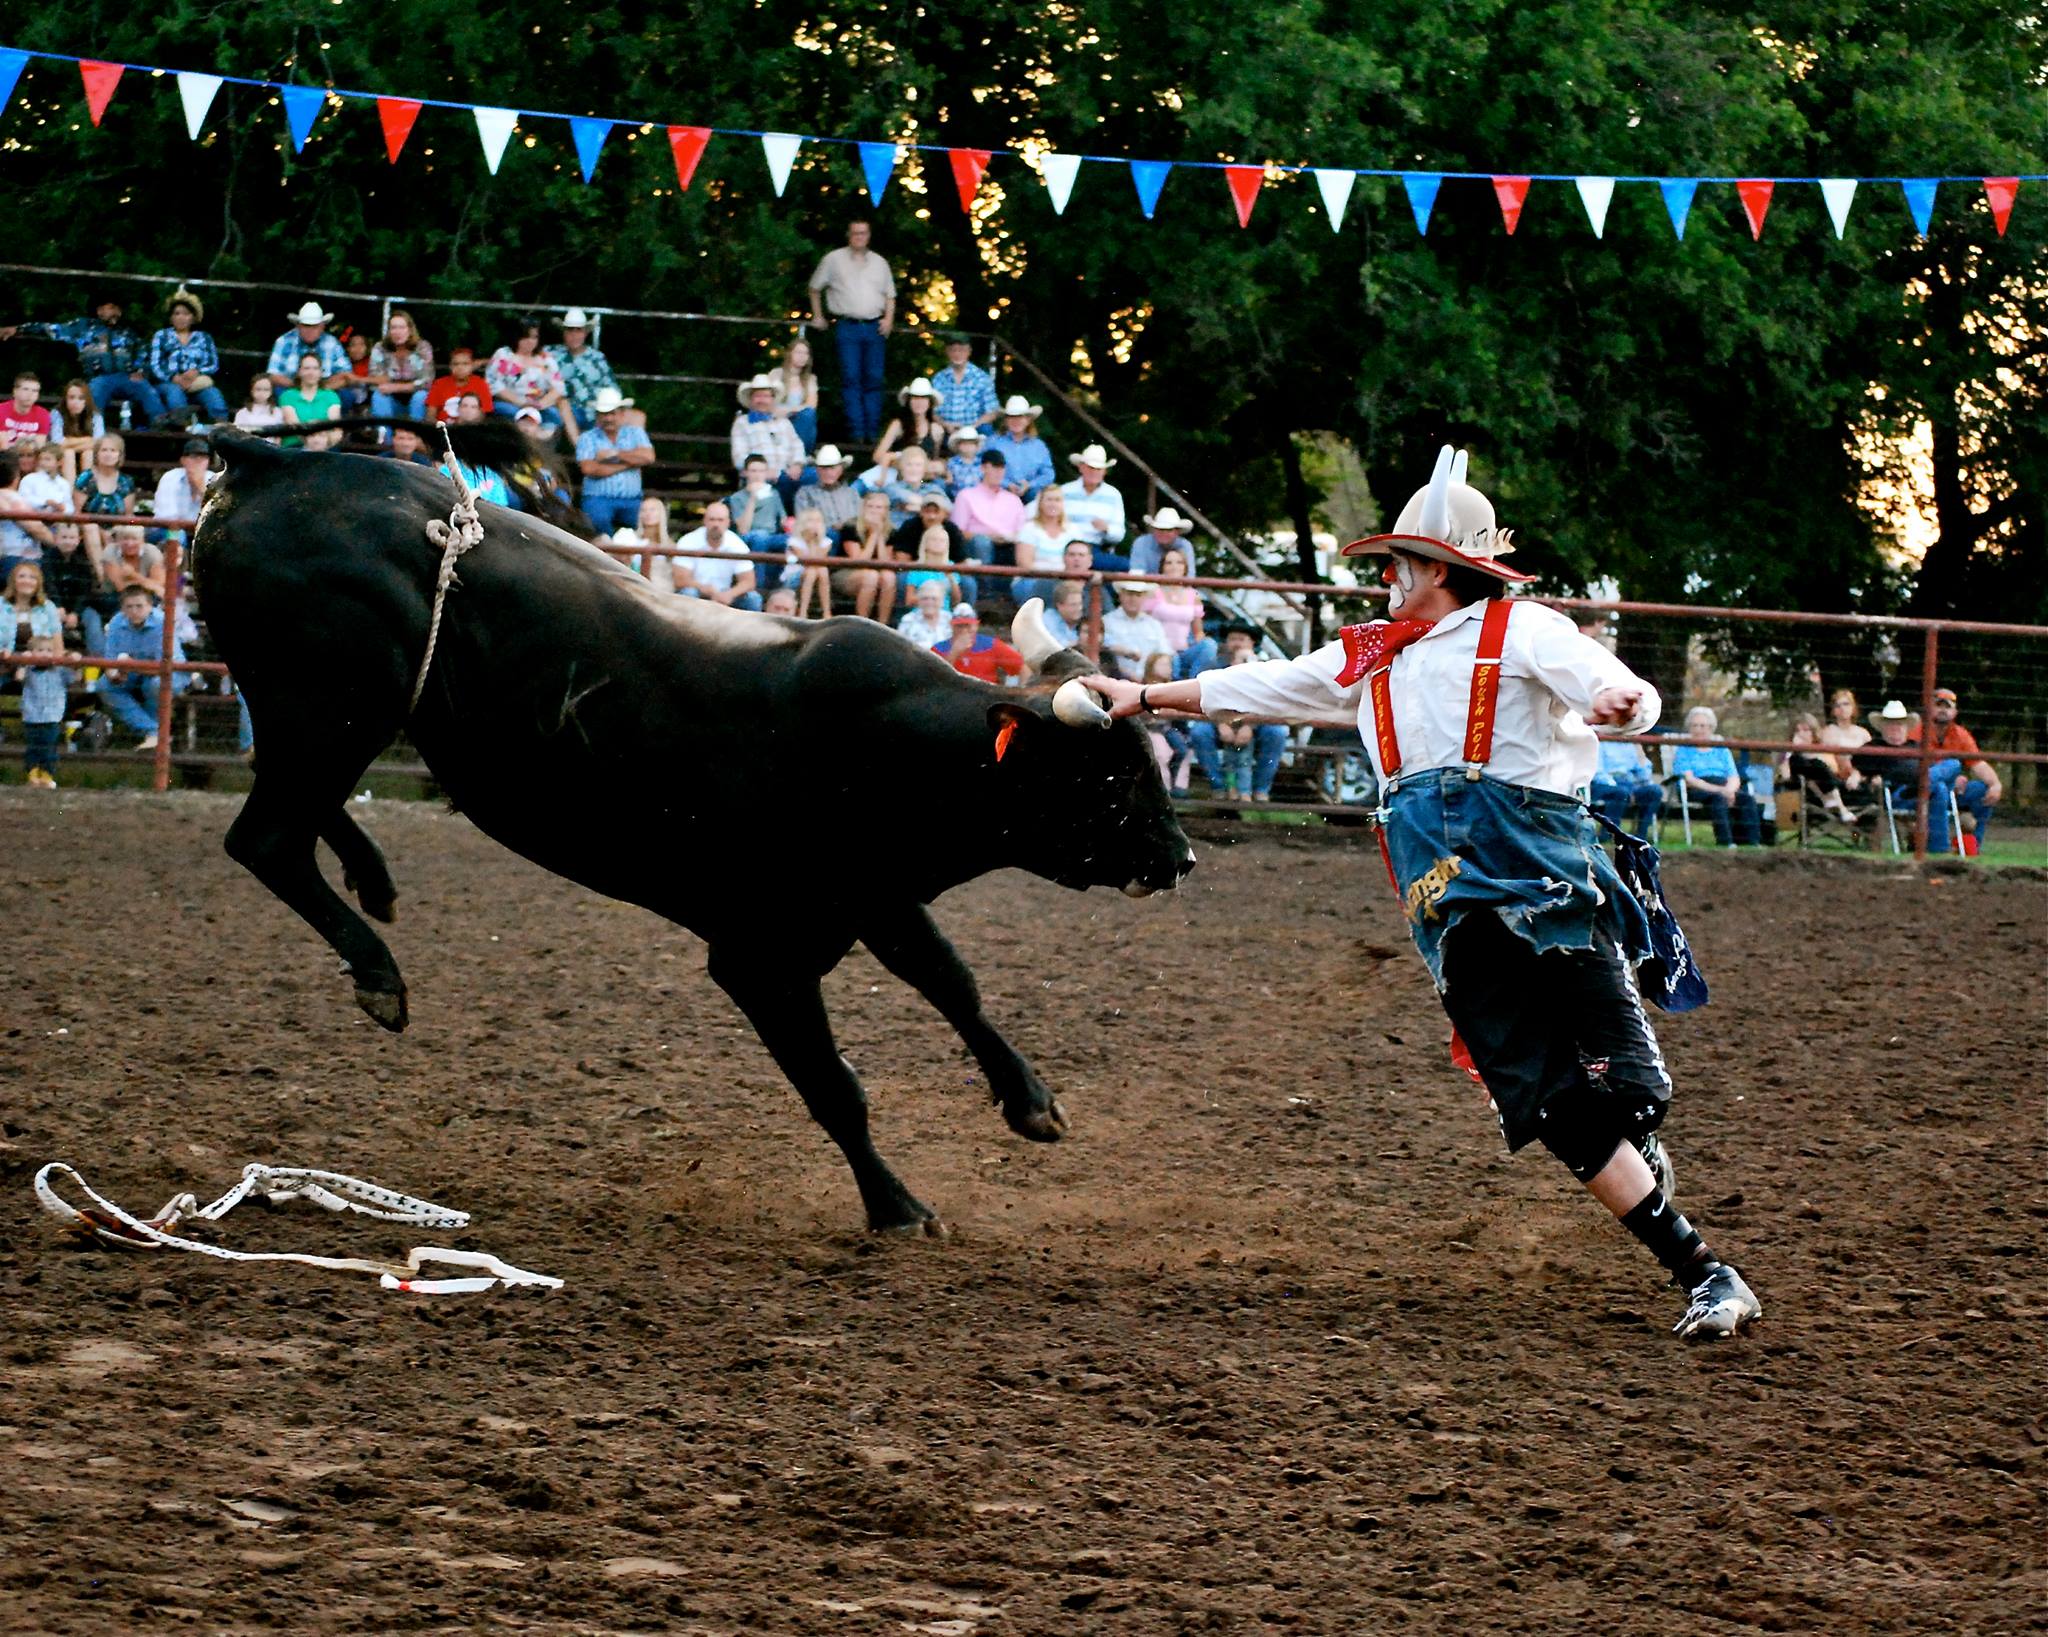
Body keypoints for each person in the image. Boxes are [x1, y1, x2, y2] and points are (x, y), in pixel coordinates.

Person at [1077, 444, 1760, 1342]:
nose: (1387, 576)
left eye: (1397, 561)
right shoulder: (1367, 658)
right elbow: (1255, 684)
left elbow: (1617, 686)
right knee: (1553, 1105)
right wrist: (1140, 694)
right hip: (1449, 912)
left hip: (1548, 884)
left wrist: (1625, 706)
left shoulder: (1522, 629)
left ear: (1438, 568)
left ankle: (1639, 1146)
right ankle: (1706, 1272)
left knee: (1629, 1091)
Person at [1, 297, 165, 428]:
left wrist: (141, 371)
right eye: (111, 308)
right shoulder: (84, 327)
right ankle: (93, 432)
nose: (115, 312)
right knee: (94, 395)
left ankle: (160, 426)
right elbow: (51, 329)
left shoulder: (128, 332)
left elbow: (143, 353)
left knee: (146, 389)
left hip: (126, 377)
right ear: (100, 310)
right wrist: (19, 329)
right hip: (99, 377)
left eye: (118, 308)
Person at [807, 220, 895, 446]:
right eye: (855, 233)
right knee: (851, 378)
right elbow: (814, 287)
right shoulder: (833, 259)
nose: (859, 236)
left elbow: (890, 295)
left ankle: (873, 432)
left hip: (875, 327)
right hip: (847, 325)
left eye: (863, 233)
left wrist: (889, 319)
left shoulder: (880, 262)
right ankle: (856, 433)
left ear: (869, 235)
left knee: (874, 379)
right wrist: (818, 316)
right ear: (848, 235)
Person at [1910, 686, 2001, 854]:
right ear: (1929, 708)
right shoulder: (1917, 732)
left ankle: (1971, 846)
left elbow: (1978, 764)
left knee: (1983, 790)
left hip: (1952, 788)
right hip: (1924, 789)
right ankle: (1940, 848)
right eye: (1938, 705)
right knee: (1951, 770)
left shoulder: (1960, 734)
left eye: (1948, 707)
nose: (1943, 710)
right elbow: (1912, 767)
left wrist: (1995, 784)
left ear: (1955, 712)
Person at [97, 583, 187, 749]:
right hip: (133, 670)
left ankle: (156, 739)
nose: (134, 611)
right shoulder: (117, 622)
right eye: (129, 607)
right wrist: (114, 675)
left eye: (139, 606)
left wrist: (131, 667)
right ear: (123, 609)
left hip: (172, 672)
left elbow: (165, 666)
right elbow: (110, 660)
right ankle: (153, 732)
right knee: (104, 685)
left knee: (154, 685)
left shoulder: (162, 623)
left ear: (150, 606)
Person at [6, 562, 69, 787]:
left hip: (38, 668)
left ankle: (45, 772)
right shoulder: (1, 606)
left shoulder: (48, 607)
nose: (27, 581)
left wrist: (54, 666)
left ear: (38, 583)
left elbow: (58, 646)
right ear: (13, 580)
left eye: (32, 577)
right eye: (22, 576)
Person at [950, 450, 1026, 606]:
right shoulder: (966, 495)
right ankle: (986, 595)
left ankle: (1009, 594)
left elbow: (1023, 531)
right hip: (978, 545)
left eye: (1002, 468)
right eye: (995, 467)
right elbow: (957, 532)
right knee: (982, 542)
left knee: (1023, 543)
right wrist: (990, 536)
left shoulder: (1013, 500)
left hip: (1008, 544)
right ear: (983, 468)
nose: (999, 472)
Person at [573, 386, 652, 534]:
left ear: (621, 414)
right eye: (603, 414)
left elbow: (648, 457)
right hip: (597, 498)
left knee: (646, 524)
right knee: (597, 521)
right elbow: (589, 469)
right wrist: (629, 464)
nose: (608, 418)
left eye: (611, 413)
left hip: (632, 499)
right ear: (597, 416)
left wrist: (614, 454)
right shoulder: (587, 437)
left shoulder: (636, 433)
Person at [1670, 706, 1742, 846]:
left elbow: (1733, 775)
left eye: (1703, 726)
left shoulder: (1721, 748)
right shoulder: (1683, 750)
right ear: (1689, 728)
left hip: (1725, 786)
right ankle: (1726, 842)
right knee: (1718, 799)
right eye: (1694, 725)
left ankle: (1752, 843)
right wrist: (1720, 790)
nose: (1698, 729)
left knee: (1746, 799)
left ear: (1711, 728)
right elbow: (1690, 779)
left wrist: (1730, 790)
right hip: (1696, 788)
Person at [487, 320, 573, 432]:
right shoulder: (503, 355)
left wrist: (539, 404)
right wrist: (521, 402)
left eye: (534, 337)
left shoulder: (545, 358)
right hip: (509, 403)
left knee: (554, 418)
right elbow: (493, 383)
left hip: (538, 405)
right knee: (518, 417)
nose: (530, 341)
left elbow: (558, 388)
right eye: (525, 337)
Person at [673, 501, 762, 610]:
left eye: (720, 520)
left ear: (728, 523)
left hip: (726, 594)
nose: (716, 524)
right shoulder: (688, 541)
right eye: (712, 519)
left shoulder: (737, 544)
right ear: (704, 521)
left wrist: (730, 594)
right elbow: (680, 580)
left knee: (753, 598)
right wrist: (704, 588)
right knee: (689, 593)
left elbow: (749, 582)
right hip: (698, 592)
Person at [1778, 713, 1863, 824]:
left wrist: (1854, 776)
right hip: (1809, 795)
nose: (1801, 734)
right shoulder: (1789, 756)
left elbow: (1847, 770)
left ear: (1813, 733)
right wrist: (1790, 750)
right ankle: (1840, 808)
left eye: (1805, 730)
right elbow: (1786, 776)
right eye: (1797, 731)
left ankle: (1833, 802)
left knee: (1817, 763)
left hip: (1840, 788)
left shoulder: (1825, 749)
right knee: (1808, 762)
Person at [1013, 485, 1086, 605]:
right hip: (1033, 579)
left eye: (1057, 500)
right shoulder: (1029, 529)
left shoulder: (1073, 530)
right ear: (1040, 503)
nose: (1053, 504)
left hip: (1065, 580)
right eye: (1049, 500)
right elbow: (1025, 564)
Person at [547, 307, 619, 428]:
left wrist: (607, 406)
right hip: (566, 411)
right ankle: (581, 445)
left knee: (637, 417)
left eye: (578, 330)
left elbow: (612, 388)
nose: (574, 335)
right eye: (570, 330)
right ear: (564, 332)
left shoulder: (597, 358)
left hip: (597, 411)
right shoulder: (551, 354)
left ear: (585, 333)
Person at [41, 519, 104, 656]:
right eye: (63, 537)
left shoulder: (83, 561)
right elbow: (48, 585)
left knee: (93, 619)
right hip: (53, 606)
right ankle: (51, 656)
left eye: (72, 538)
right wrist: (57, 605)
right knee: (45, 618)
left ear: (79, 539)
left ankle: (98, 660)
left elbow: (85, 591)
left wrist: (76, 612)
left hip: (77, 606)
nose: (68, 541)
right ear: (56, 539)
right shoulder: (47, 559)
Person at [833, 489, 897, 621]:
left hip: (876, 571)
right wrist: (873, 534)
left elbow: (886, 562)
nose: (874, 511)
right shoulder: (851, 526)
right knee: (871, 576)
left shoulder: (891, 530)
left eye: (879, 507)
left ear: (886, 511)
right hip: (847, 572)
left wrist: (879, 535)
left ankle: (883, 623)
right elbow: (859, 562)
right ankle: (862, 621)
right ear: (863, 508)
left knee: (889, 576)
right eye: (870, 506)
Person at [265, 301, 351, 396]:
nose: (310, 330)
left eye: (314, 326)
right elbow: (273, 375)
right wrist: (300, 388)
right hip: (292, 389)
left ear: (322, 327)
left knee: (346, 395)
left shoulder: (332, 343)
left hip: (324, 390)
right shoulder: (284, 341)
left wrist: (320, 390)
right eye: (306, 326)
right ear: (298, 326)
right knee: (277, 391)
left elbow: (345, 375)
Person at [730, 374, 806, 477]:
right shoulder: (742, 423)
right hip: (760, 478)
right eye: (758, 396)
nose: (762, 400)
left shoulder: (784, 422)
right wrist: (761, 471)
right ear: (751, 399)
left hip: (787, 475)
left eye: (766, 396)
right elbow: (739, 457)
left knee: (814, 475)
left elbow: (797, 446)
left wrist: (797, 465)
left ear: (772, 399)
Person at [367, 310, 435, 424]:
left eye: (402, 327)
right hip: (391, 399)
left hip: (416, 398)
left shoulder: (422, 347)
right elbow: (376, 378)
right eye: (393, 328)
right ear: (389, 331)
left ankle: (414, 437)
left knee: (420, 396)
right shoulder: (380, 348)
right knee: (379, 396)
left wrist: (395, 387)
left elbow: (427, 382)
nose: (397, 332)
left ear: (410, 330)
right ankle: (384, 439)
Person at [1591, 732, 1664, 838]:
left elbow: (1644, 778)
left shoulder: (1630, 744)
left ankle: (1640, 836)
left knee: (1655, 791)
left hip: (1629, 784)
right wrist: (1621, 787)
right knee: (1621, 792)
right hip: (1604, 784)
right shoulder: (1600, 741)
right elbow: (1597, 773)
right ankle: (1609, 834)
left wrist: (1641, 756)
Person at [982, 396, 1054, 499]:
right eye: (1011, 416)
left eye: (1020, 416)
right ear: (1006, 420)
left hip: (1031, 496)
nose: (1016, 420)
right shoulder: (993, 442)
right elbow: (981, 468)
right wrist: (1006, 484)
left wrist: (1030, 485)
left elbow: (1048, 474)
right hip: (998, 494)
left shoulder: (1039, 446)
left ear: (1028, 420)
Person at [933, 603, 1024, 683]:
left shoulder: (991, 645)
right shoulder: (938, 649)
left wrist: (1023, 690)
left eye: (968, 626)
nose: (964, 631)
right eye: (959, 626)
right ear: (952, 626)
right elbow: (934, 678)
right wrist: (954, 653)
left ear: (976, 626)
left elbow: (1023, 666)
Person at [1142, 545, 1206, 658]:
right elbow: (1142, 624)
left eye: (1179, 562)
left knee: (1209, 646)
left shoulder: (1194, 595)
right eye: (1169, 563)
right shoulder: (1152, 592)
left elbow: (1198, 632)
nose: (1174, 566)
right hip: (1159, 651)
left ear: (1185, 567)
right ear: (1162, 567)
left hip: (1185, 650)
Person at [1061, 443, 1126, 552]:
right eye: (1091, 467)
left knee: (1124, 565)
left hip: (1097, 547)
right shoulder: (1064, 491)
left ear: (1104, 471)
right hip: (1065, 545)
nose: (1094, 472)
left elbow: (1119, 534)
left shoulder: (1114, 495)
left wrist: (1107, 529)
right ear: (1081, 467)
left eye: (1099, 469)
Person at [1101, 580, 1170, 681]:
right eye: (1129, 594)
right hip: (1117, 679)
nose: (1133, 599)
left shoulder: (1154, 625)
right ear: (1121, 595)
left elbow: (1164, 652)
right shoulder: (1106, 622)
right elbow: (1102, 647)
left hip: (1150, 681)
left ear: (1144, 598)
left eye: (1138, 595)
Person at [932, 333, 999, 437]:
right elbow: (933, 412)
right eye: (953, 350)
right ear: (947, 352)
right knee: (934, 430)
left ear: (969, 352)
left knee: (987, 431)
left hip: (976, 429)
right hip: (946, 430)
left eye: (962, 350)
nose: (957, 354)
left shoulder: (982, 378)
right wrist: (945, 425)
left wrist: (972, 426)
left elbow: (992, 412)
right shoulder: (939, 379)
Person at [875, 377, 945, 467]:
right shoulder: (898, 425)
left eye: (923, 398)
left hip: (923, 477)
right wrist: (901, 465)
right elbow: (877, 456)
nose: (919, 402)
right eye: (915, 398)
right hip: (897, 476)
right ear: (909, 401)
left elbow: (934, 458)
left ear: (929, 403)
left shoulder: (936, 430)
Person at [275, 353, 341, 448]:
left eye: (315, 368)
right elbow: (295, 427)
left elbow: (335, 428)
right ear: (299, 372)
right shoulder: (287, 396)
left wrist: (322, 446)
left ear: (321, 372)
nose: (311, 372)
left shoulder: (331, 395)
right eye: (306, 368)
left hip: (326, 448)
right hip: (295, 447)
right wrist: (313, 444)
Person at [728, 453, 790, 553]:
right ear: (745, 473)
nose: (757, 475)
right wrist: (753, 497)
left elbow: (784, 520)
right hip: (750, 535)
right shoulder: (736, 498)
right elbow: (743, 530)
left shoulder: (774, 493)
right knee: (760, 536)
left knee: (793, 540)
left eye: (761, 471)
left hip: (772, 535)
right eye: (753, 471)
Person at [794, 444, 861, 536]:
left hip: (851, 537)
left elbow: (860, 520)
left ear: (841, 470)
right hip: (821, 538)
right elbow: (803, 522)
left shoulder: (851, 493)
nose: (828, 472)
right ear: (817, 470)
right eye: (824, 468)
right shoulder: (805, 493)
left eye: (832, 468)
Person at [767, 336, 819, 452]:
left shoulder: (810, 379)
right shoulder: (776, 374)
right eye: (798, 352)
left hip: (798, 423)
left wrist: (789, 410)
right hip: (777, 421)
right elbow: (767, 401)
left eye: (805, 353)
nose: (802, 356)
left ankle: (799, 455)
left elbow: (811, 406)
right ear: (790, 353)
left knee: (808, 415)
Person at [899, 523, 964, 611]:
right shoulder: (916, 568)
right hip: (920, 614)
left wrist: (951, 579)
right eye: (934, 539)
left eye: (942, 540)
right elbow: (909, 601)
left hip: (944, 615)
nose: (938, 543)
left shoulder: (951, 566)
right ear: (925, 543)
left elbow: (956, 601)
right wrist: (931, 597)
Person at [151, 438, 213, 528]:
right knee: (177, 534)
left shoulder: (215, 479)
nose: (198, 461)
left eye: (203, 457)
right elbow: (166, 516)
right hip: (171, 529)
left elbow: (218, 514)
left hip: (204, 530)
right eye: (193, 456)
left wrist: (201, 489)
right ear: (183, 460)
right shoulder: (170, 477)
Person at [425, 348, 495, 422]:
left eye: (465, 364)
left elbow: (483, 415)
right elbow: (430, 415)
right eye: (455, 364)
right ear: (450, 366)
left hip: (470, 428)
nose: (460, 368)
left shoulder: (481, 384)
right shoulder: (439, 383)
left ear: (472, 366)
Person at [789, 505, 834, 618]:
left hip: (815, 573)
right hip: (794, 575)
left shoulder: (826, 542)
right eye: (810, 520)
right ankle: (803, 611)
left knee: (822, 570)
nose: (815, 524)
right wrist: (810, 540)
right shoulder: (794, 541)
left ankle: (826, 611)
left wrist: (815, 541)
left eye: (818, 521)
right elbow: (807, 561)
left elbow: (818, 559)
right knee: (812, 571)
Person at [53, 380, 102, 480]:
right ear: (65, 399)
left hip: (88, 455)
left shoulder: (95, 416)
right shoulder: (57, 413)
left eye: (81, 398)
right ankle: (69, 492)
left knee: (88, 453)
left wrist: (68, 442)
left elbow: (99, 442)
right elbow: (57, 442)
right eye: (71, 398)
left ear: (86, 400)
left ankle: (85, 490)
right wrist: (88, 440)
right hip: (61, 455)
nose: (76, 402)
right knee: (68, 454)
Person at [1129, 506, 1194, 577]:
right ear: (1154, 529)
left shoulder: (1185, 545)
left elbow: (1190, 577)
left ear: (1177, 532)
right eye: (1160, 529)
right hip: (1146, 587)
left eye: (1169, 530)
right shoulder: (1141, 543)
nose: (1164, 533)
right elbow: (1136, 574)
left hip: (1178, 587)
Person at [896, 579, 952, 651]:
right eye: (925, 599)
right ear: (918, 601)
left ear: (942, 602)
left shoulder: (950, 620)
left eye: (934, 599)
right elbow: (900, 648)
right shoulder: (908, 620)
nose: (929, 602)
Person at [4, 371, 54, 450]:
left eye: (35, 391)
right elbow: (3, 447)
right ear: (15, 391)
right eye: (25, 389)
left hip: (31, 458)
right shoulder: (2, 410)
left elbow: (39, 446)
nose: (30, 394)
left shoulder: (43, 414)